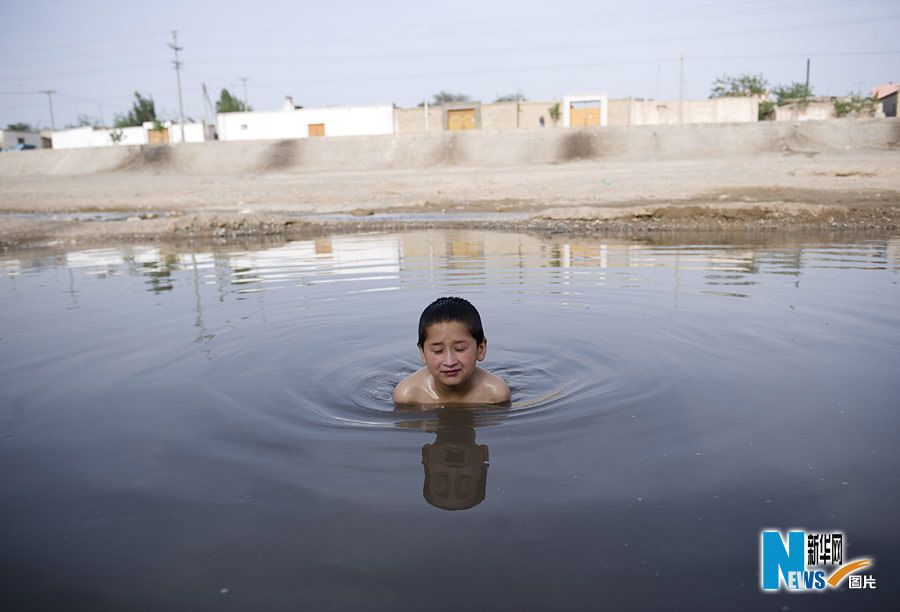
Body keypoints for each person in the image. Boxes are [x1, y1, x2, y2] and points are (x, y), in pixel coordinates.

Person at [393, 297, 511, 404]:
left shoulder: (496, 394)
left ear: (481, 349)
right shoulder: (407, 396)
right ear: (423, 353)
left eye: (460, 349)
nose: (449, 362)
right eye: (438, 350)